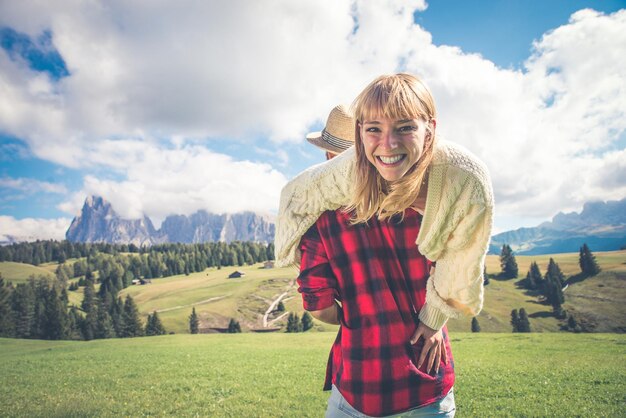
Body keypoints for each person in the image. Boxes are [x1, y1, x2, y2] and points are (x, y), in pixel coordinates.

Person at [275, 74, 493, 417]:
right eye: (375, 129)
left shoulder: (320, 219)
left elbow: (317, 305)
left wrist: (359, 318)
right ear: (362, 137)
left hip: (361, 383)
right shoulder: (436, 205)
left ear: (336, 155)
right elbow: (457, 268)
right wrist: (432, 320)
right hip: (426, 377)